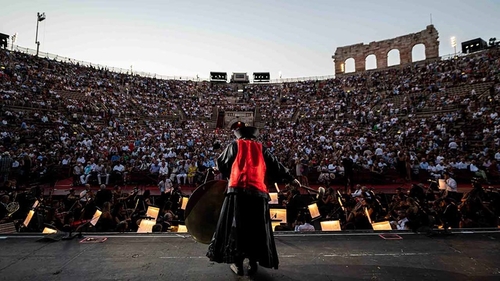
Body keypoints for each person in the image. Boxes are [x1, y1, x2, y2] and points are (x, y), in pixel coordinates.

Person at [207, 121, 299, 276]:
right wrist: (291, 179)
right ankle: (253, 263)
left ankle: (237, 263)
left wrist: (231, 172)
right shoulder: (261, 148)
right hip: (258, 193)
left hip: (237, 192)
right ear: (253, 136)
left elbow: (221, 163)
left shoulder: (234, 145)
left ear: (240, 135)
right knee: (256, 228)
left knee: (236, 227)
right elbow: (276, 166)